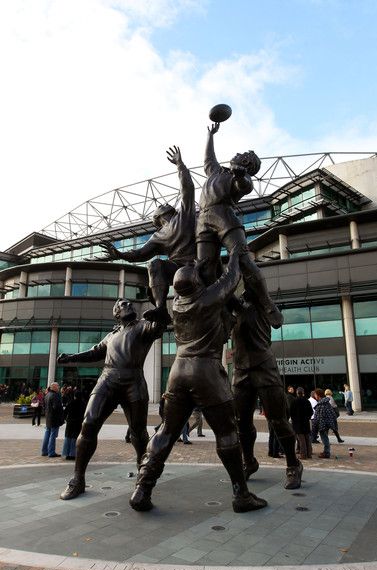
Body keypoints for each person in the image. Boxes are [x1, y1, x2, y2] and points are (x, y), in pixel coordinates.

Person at [130, 248, 267, 513]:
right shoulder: (207, 300)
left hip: (178, 372)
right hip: (205, 371)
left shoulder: (176, 304)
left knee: (166, 431)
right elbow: (231, 279)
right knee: (227, 433)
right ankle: (241, 495)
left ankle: (142, 488)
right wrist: (236, 256)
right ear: (198, 283)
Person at [57, 298, 167, 500]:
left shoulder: (143, 327)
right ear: (116, 312)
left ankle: (142, 478)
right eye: (123, 304)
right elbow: (93, 353)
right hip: (107, 379)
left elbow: (160, 327)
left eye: (130, 304)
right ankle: (77, 479)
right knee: (89, 423)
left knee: (138, 432)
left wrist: (160, 311)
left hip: (133, 381)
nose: (129, 305)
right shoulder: (111, 335)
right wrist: (71, 357)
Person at [195, 122, 282, 330]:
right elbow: (208, 159)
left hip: (225, 216)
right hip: (203, 220)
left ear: (246, 162)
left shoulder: (242, 177)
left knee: (243, 260)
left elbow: (243, 186)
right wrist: (211, 136)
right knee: (205, 270)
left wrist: (241, 174)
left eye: (241, 154)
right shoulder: (217, 172)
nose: (236, 154)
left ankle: (267, 304)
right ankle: (230, 306)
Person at [98, 147, 196, 322]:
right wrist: (119, 254)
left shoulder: (184, 215)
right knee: (154, 264)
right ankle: (160, 309)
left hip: (196, 263)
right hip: (176, 267)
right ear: (157, 218)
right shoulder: (157, 236)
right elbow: (139, 254)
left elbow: (187, 188)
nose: (165, 203)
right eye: (162, 205)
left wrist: (180, 164)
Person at [232, 288, 303, 488]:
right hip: (241, 370)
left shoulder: (264, 308)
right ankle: (249, 461)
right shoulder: (235, 310)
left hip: (264, 367)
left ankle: (293, 465)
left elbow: (278, 320)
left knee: (278, 421)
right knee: (241, 422)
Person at [62, 387, 88, 460]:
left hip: (70, 422)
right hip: (78, 423)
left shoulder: (71, 403)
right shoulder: (83, 404)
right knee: (75, 438)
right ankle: (73, 454)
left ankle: (66, 453)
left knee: (68, 437)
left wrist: (64, 419)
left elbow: (65, 412)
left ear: (75, 396)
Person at [311, 388, 338, 459]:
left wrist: (314, 428)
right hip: (327, 423)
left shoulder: (321, 404)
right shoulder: (326, 402)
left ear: (318, 395)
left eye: (315, 395)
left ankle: (326, 452)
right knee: (325, 437)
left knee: (324, 438)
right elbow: (332, 414)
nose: (315, 396)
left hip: (323, 424)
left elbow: (318, 418)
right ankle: (326, 451)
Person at [289, 387, 313, 460]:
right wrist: (308, 417)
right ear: (303, 393)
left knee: (301, 439)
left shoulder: (294, 401)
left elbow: (291, 412)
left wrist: (294, 419)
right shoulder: (307, 401)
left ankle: (303, 455)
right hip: (305, 422)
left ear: (297, 393)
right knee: (307, 438)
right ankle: (309, 454)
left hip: (297, 423)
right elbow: (311, 412)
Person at [41, 382, 63, 458]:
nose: (59, 388)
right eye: (58, 386)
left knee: (47, 434)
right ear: (54, 387)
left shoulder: (47, 395)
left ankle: (44, 451)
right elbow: (56, 407)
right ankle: (51, 452)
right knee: (52, 435)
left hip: (48, 418)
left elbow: (44, 406)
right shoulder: (55, 395)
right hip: (54, 419)